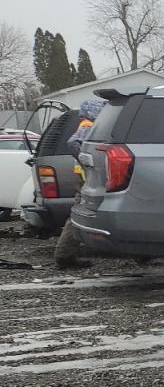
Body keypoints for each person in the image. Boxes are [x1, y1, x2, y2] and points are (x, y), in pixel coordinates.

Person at [53, 98, 104, 269]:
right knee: (77, 214)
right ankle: (64, 255)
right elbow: (73, 143)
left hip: (85, 177)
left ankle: (64, 254)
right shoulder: (88, 125)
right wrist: (88, 163)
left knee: (80, 213)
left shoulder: (85, 124)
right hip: (87, 178)